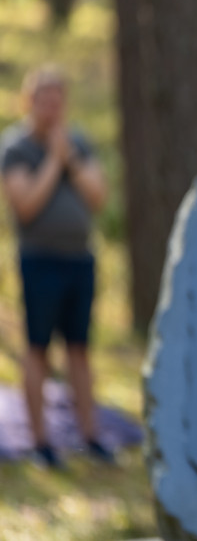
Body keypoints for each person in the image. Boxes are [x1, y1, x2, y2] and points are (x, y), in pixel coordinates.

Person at [0, 65, 112, 469]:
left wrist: (72, 159)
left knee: (80, 349)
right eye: (43, 100)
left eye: (57, 100)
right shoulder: (16, 147)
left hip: (80, 260)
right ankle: (40, 440)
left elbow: (98, 197)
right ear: (30, 102)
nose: (51, 108)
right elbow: (25, 204)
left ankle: (91, 435)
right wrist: (53, 158)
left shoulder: (79, 143)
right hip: (39, 261)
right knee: (38, 349)